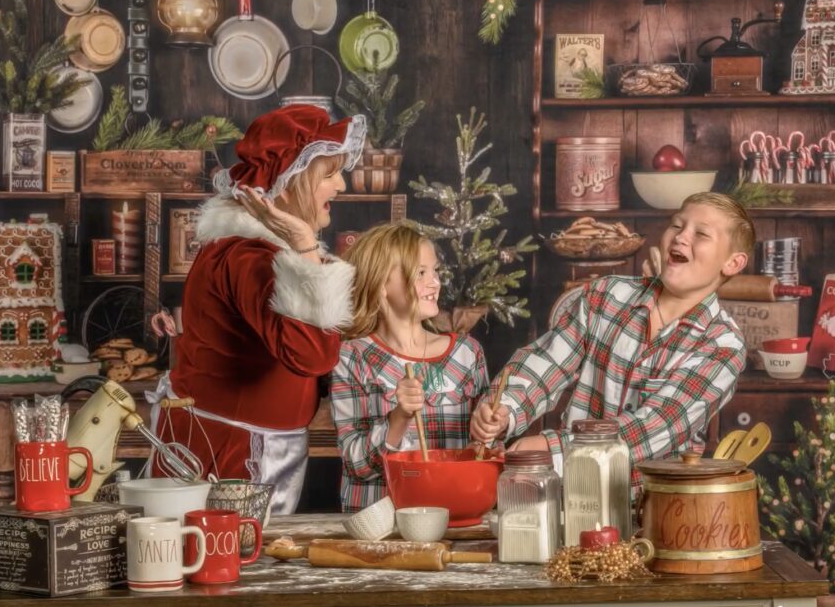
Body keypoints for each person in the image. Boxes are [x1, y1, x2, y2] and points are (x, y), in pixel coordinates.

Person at [148, 104, 366, 514]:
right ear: (290, 182)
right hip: (234, 455)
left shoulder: (246, 251)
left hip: (241, 444)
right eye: (329, 174)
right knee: (232, 567)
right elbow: (314, 355)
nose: (341, 186)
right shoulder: (251, 258)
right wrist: (303, 245)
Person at [470, 192, 754, 484]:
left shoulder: (722, 346)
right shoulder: (607, 295)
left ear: (732, 263)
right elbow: (545, 364)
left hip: (653, 507)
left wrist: (554, 446)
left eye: (701, 234)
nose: (681, 237)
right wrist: (505, 407)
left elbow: (653, 429)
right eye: (676, 225)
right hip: (574, 492)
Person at [330, 223, 490, 512]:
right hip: (382, 526)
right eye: (420, 273)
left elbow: (483, 451)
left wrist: (489, 431)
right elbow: (355, 465)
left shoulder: (467, 353)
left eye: (435, 271)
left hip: (452, 514)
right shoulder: (353, 357)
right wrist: (399, 417)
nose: (435, 283)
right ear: (380, 284)